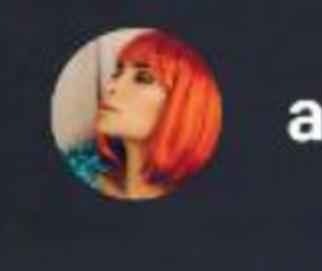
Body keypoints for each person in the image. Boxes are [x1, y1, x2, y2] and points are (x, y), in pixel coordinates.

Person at [62, 29, 222, 202]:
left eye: (143, 78)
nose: (111, 87)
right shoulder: (79, 168)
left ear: (186, 103)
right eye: (117, 73)